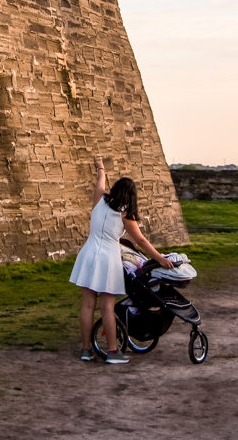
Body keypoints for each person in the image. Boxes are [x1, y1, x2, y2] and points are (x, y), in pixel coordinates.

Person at [69, 156, 174, 363]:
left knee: (87, 305)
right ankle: (113, 352)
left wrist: (100, 166)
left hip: (88, 254)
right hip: (107, 259)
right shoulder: (125, 214)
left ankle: (86, 349)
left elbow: (100, 180)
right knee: (107, 307)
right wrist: (160, 258)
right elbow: (141, 241)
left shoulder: (99, 200)